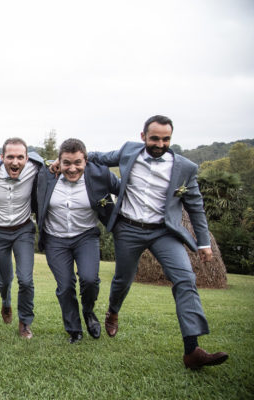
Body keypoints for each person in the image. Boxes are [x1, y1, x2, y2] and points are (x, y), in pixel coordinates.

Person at [88, 115, 228, 369]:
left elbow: (196, 208)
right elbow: (96, 157)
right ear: (143, 137)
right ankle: (113, 310)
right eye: (155, 138)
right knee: (123, 280)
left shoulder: (185, 168)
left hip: (163, 232)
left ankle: (192, 350)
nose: (160, 144)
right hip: (128, 229)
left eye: (166, 139)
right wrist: (57, 162)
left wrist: (204, 242)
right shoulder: (129, 151)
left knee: (185, 278)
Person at [36, 139, 120, 343]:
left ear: (86, 161)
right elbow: (30, 158)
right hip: (55, 239)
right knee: (65, 286)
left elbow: (124, 191)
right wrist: (50, 162)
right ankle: (74, 329)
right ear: (59, 161)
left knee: (90, 279)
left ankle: (89, 311)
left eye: (77, 163)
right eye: (66, 163)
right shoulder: (46, 175)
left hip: (86, 236)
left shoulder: (99, 175)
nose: (72, 168)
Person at [0, 138, 44, 339]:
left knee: (25, 279)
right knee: (5, 279)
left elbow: (45, 161)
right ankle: (6, 303)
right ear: (1, 157)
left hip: (23, 231)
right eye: (10, 157)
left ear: (27, 158)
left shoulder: (35, 167)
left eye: (20, 157)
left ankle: (25, 322)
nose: (15, 162)